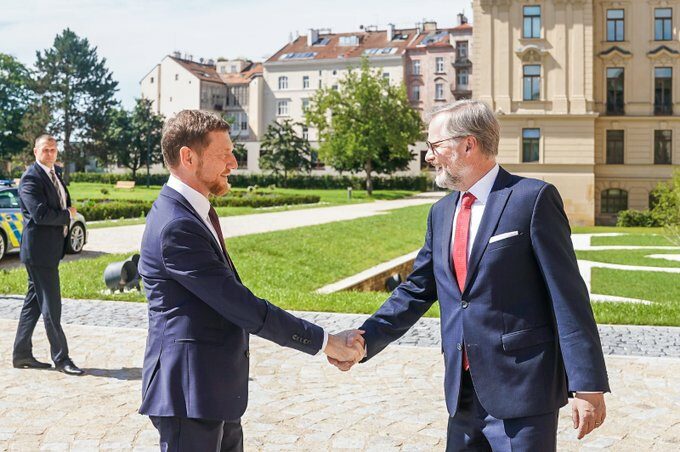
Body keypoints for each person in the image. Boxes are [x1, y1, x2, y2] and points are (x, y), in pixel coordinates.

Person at [332, 100, 610, 451]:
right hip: (461, 393)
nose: (429, 156)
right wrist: (364, 340)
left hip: (524, 391)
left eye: (435, 146)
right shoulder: (441, 212)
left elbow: (568, 296)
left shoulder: (531, 199)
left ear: (468, 144)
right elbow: (416, 291)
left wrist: (587, 384)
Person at [138, 110, 364, 451]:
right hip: (189, 393)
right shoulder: (176, 226)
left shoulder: (190, 213)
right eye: (223, 154)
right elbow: (241, 306)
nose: (234, 163)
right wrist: (325, 342)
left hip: (211, 390)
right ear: (188, 157)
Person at [12, 135, 83, 376]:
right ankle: (61, 358)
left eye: (53, 150)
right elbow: (40, 214)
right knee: (52, 307)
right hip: (39, 253)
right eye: (45, 150)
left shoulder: (54, 174)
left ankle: (21, 354)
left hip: (48, 251)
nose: (50, 154)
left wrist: (65, 212)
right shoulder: (31, 178)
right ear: (35, 151)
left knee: (33, 304)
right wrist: (66, 215)